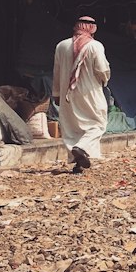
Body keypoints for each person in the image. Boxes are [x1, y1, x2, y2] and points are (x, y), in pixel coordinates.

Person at [52, 15, 111, 173]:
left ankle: (78, 161)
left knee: (73, 128)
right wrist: (105, 79)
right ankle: (81, 148)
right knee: (97, 124)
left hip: (67, 95)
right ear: (92, 28)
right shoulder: (95, 46)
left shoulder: (61, 46)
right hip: (90, 92)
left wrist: (56, 93)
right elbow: (102, 70)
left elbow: (56, 72)